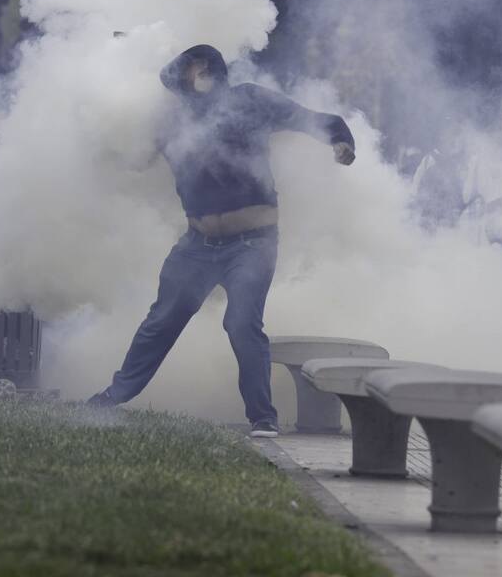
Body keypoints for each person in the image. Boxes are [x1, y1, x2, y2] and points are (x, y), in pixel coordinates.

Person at [87, 45, 356, 437]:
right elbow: (133, 156)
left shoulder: (249, 101)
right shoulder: (172, 122)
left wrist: (340, 142)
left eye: (197, 70)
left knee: (242, 322)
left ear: (211, 70)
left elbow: (310, 120)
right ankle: (114, 395)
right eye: (185, 73)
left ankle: (263, 417)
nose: (191, 80)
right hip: (197, 245)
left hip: (253, 244)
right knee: (161, 320)